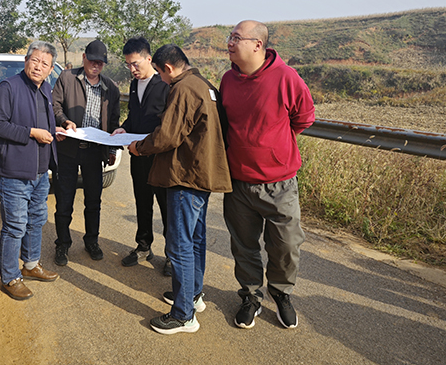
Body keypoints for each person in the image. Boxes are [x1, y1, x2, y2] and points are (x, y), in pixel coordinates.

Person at [129, 45, 232, 335]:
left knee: (179, 244)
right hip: (202, 174)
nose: (161, 80)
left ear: (167, 68)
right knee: (195, 239)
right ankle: (192, 295)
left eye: (160, 74)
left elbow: (167, 135)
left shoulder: (183, 88)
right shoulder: (206, 85)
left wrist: (139, 147)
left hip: (185, 176)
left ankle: (183, 314)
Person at [220, 20, 315, 329]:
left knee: (286, 245)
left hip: (280, 184)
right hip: (239, 182)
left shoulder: (286, 77)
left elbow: (303, 118)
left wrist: (275, 147)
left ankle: (281, 293)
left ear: (257, 44)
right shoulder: (228, 81)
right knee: (243, 246)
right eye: (230, 37)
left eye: (236, 38)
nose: (230, 42)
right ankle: (250, 296)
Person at [0, 40, 64, 300]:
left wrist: (55, 130)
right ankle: (10, 277)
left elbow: (43, 122)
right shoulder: (9, 86)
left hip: (40, 172)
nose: (39, 67)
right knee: (15, 226)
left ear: (51, 69)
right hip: (14, 172)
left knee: (36, 220)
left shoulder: (46, 88)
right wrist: (32, 133)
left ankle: (30, 265)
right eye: (35, 60)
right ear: (26, 60)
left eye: (45, 64)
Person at [52, 39, 121, 266]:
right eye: (92, 61)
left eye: (100, 63)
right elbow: (55, 105)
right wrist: (64, 121)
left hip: (94, 152)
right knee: (64, 200)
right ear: (84, 58)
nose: (96, 66)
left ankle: (92, 241)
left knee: (93, 201)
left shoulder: (110, 88)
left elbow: (113, 121)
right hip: (68, 151)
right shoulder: (67, 78)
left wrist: (111, 149)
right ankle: (62, 244)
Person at [111, 37, 170, 275]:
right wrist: (124, 128)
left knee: (167, 208)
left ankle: (172, 256)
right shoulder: (135, 85)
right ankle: (144, 246)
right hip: (138, 156)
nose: (132, 69)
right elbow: (135, 116)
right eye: (128, 65)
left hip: (160, 158)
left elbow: (167, 125)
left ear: (149, 58)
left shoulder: (165, 84)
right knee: (142, 203)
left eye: (135, 63)